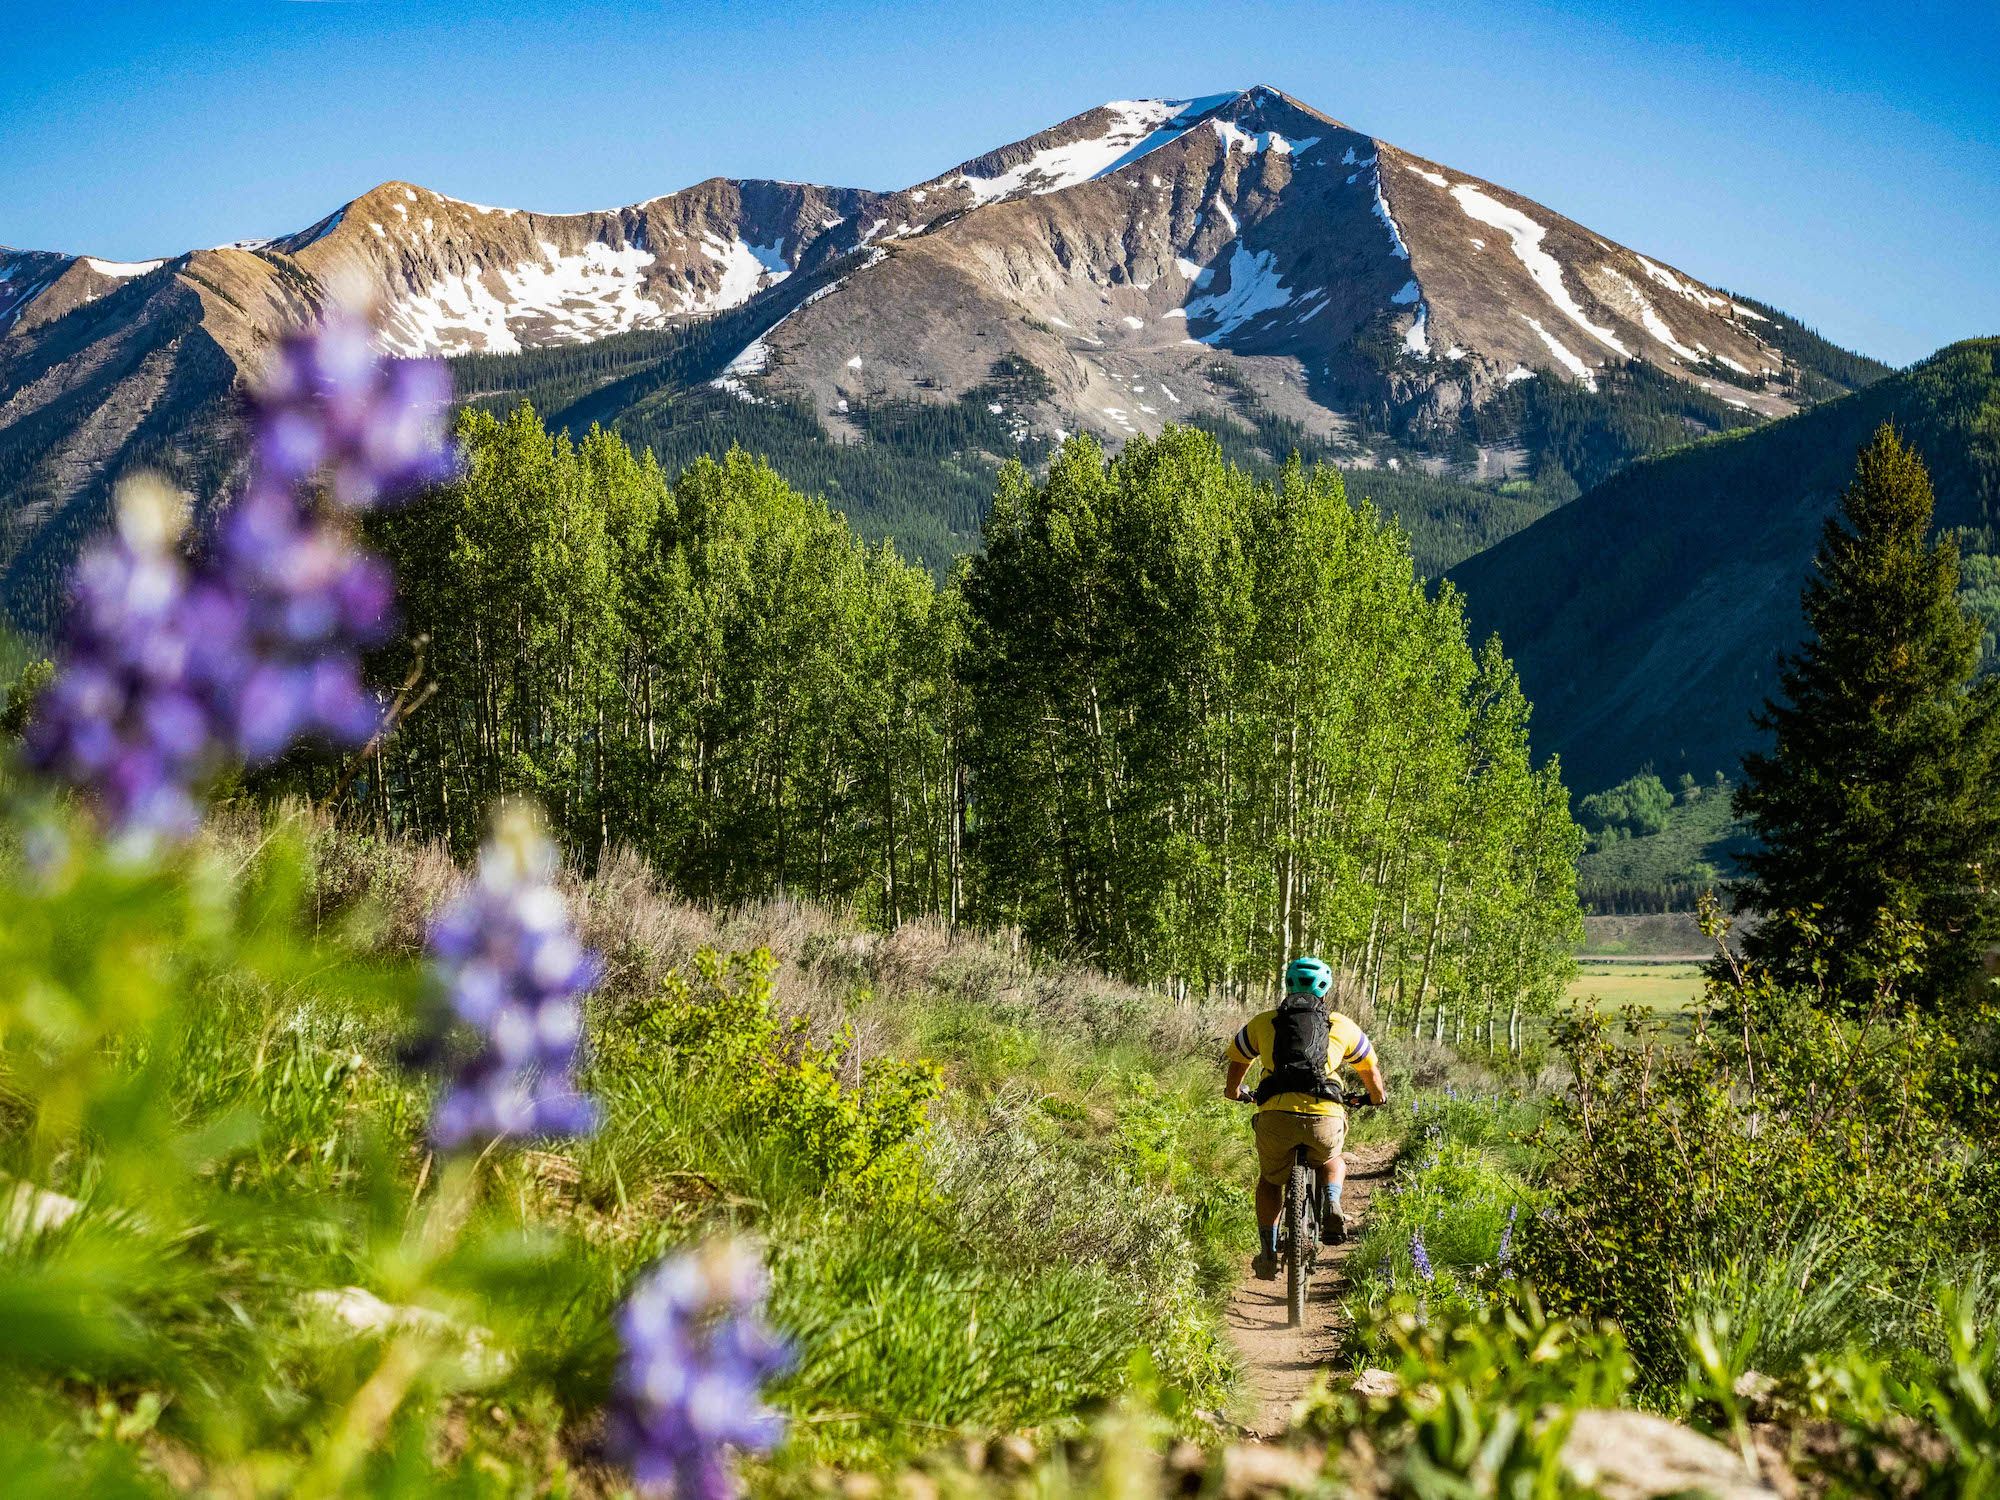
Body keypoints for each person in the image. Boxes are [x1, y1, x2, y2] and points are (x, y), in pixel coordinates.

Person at [1222, 955, 1388, 1280]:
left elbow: (1236, 1066)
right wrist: (1374, 1098)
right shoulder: (1342, 1025)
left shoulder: (1263, 1022)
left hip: (1275, 1116)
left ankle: (1268, 1253)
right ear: (1326, 991)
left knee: (1270, 1181)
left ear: (1287, 985)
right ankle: (1333, 1204)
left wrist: (1236, 1092)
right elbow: (1371, 1074)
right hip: (1324, 1116)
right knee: (1334, 1159)